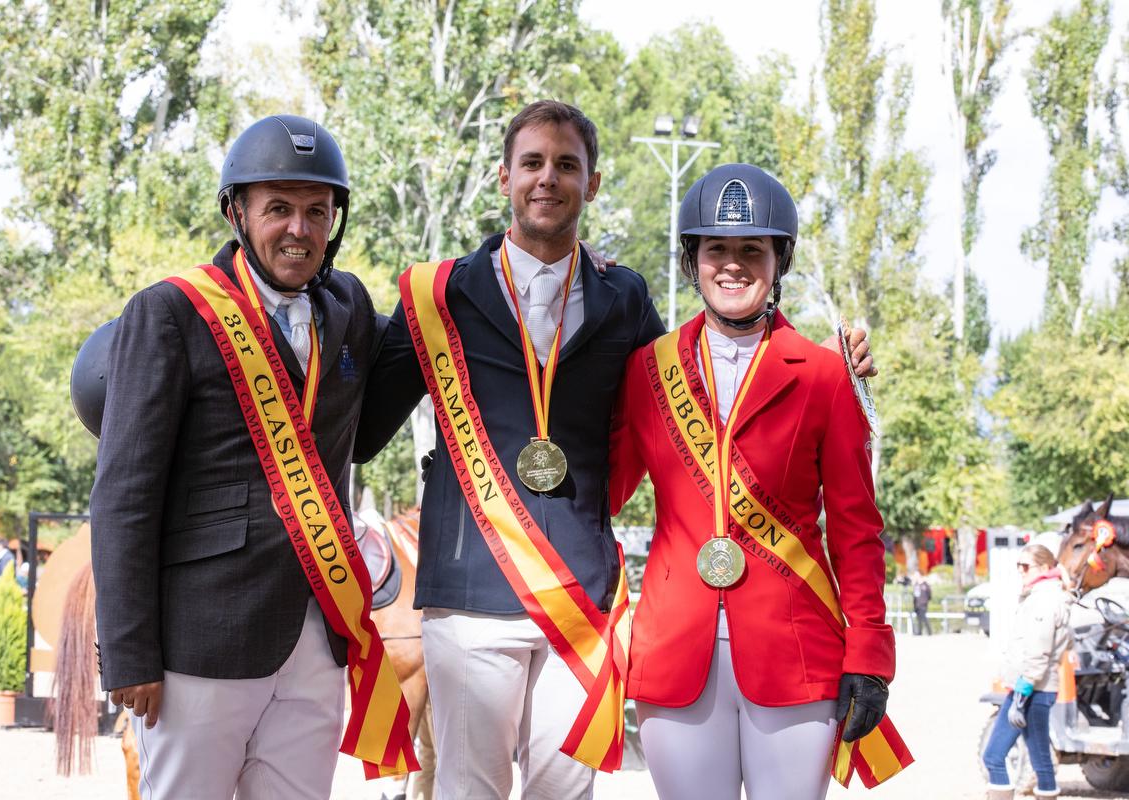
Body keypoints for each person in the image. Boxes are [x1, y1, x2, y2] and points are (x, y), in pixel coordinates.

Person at [356, 104, 875, 799]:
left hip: (579, 598)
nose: (549, 179)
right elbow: (361, 432)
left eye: (566, 165)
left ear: (592, 183)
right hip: (469, 594)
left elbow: (713, 397)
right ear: (504, 175)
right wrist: (327, 308)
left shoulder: (622, 297)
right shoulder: (438, 294)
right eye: (533, 163)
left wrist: (832, 369)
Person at [89, 114, 415, 799]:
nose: (298, 229)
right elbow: (124, 495)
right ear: (237, 212)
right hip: (201, 642)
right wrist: (128, 651)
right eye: (279, 210)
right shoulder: (169, 314)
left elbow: (396, 383)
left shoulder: (349, 305)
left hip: (316, 641)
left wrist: (542, 259)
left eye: (316, 212)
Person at [608, 163, 907, 799]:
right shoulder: (644, 371)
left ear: (779, 261)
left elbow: (857, 530)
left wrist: (871, 655)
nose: (734, 265)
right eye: (717, 248)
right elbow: (607, 492)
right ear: (693, 259)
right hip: (675, 646)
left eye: (753, 249)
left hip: (797, 650)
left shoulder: (826, 375)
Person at [982, 544, 1071, 800]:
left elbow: (1038, 652)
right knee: (1041, 759)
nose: (1020, 571)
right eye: (1018, 566)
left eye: (1025, 566)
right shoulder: (1051, 596)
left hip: (1030, 689)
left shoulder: (1043, 600)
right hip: (1040, 689)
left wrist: (1021, 695)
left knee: (993, 756)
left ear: (1044, 568)